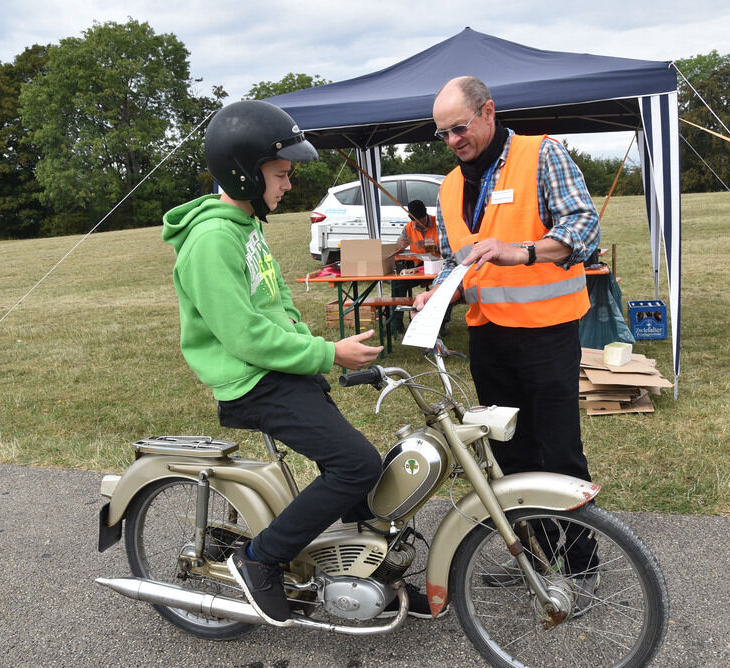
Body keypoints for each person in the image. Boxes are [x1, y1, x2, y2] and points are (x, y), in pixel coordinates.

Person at [161, 100, 431, 625]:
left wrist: (311, 352)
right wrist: (329, 353)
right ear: (244, 171)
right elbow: (244, 335)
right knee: (356, 465)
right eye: (280, 174)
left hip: (281, 372)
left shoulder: (246, 228)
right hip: (252, 381)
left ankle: (367, 571)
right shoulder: (213, 239)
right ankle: (259, 558)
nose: (287, 185)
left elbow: (278, 304)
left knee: (358, 466)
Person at [412, 76, 602, 614]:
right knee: (510, 456)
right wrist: (439, 292)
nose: (452, 140)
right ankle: (536, 565)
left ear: (488, 112)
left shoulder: (541, 155)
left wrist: (521, 252)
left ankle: (584, 565)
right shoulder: (450, 185)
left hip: (547, 331)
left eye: (459, 127)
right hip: (488, 336)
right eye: (442, 133)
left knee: (559, 452)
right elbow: (460, 260)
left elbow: (583, 227)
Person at [392, 199, 441, 334]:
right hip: (418, 268)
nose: (420, 223)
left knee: (443, 288)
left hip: (439, 267)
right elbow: (397, 248)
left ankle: (441, 325)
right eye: (417, 220)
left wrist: (432, 247)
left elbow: (449, 246)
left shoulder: (439, 223)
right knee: (398, 285)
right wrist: (399, 247)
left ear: (426, 215)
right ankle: (396, 323)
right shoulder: (408, 228)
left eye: (423, 219)